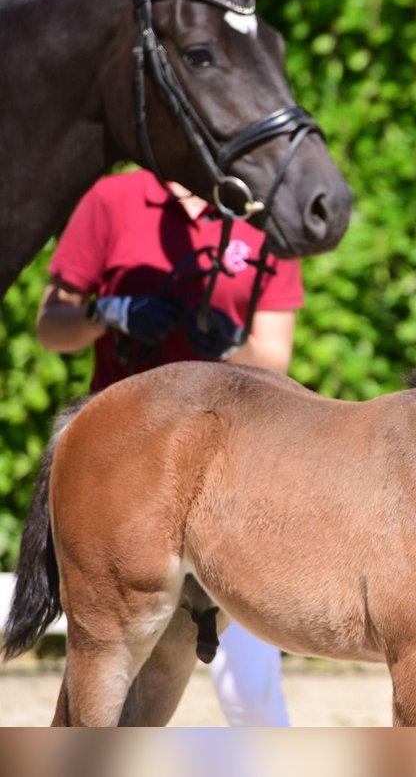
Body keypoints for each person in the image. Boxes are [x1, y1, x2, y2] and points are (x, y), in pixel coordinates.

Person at [36, 167, 299, 727]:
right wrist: (107, 314)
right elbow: (52, 326)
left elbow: (273, 354)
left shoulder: (261, 214)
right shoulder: (113, 198)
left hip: (235, 469)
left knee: (250, 690)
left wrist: (229, 346)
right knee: (104, 675)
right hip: (121, 471)